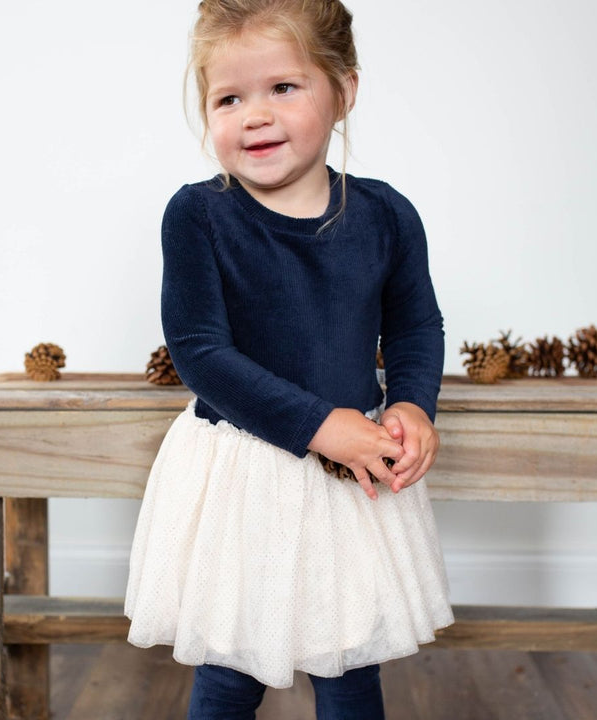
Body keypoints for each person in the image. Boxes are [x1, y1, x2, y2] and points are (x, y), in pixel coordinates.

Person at [125, 1, 453, 717]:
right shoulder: (199, 216)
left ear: (344, 90)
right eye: (229, 97)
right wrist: (317, 425)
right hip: (243, 472)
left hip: (351, 475)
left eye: (283, 87)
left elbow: (415, 324)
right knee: (230, 669)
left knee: (348, 662)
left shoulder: (385, 215)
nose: (254, 115)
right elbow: (201, 352)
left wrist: (409, 405)